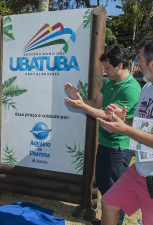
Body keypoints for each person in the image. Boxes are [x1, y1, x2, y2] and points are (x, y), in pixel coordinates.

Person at [64, 45, 141, 225]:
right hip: (105, 143)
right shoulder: (109, 83)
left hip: (120, 147)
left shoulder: (131, 89)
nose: (105, 72)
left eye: (107, 68)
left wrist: (83, 107)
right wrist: (80, 99)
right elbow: (96, 105)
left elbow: (109, 117)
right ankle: (107, 220)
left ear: (120, 65)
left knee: (117, 190)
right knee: (105, 186)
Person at [98, 37, 153, 225]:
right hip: (140, 168)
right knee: (109, 203)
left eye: (141, 59)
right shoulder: (147, 87)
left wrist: (124, 129)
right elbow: (140, 125)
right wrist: (124, 120)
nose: (138, 64)